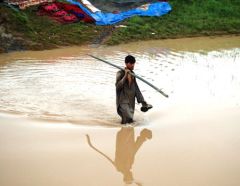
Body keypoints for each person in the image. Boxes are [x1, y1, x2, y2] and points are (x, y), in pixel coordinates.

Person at [115, 55, 151, 124]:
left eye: (133, 63)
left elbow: (136, 89)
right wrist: (125, 75)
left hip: (131, 101)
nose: (133, 65)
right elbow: (118, 86)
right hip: (122, 101)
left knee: (130, 120)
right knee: (127, 119)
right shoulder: (120, 73)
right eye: (131, 63)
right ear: (126, 63)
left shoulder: (133, 74)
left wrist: (143, 102)